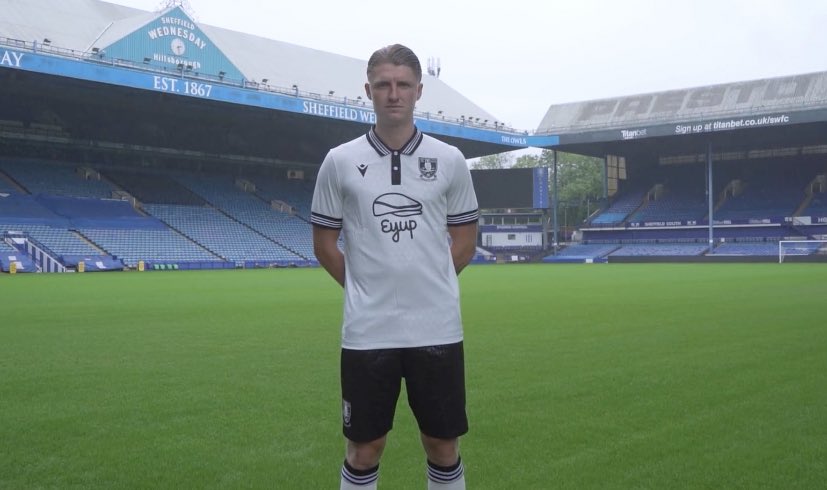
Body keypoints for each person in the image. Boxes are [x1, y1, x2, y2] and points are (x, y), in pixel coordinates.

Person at [311, 44, 479, 490]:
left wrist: (430, 283)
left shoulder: (450, 161)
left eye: (403, 84)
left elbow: (464, 240)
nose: (393, 93)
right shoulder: (339, 161)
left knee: (442, 445)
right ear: (368, 90)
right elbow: (325, 244)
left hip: (437, 327)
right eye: (383, 84)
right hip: (369, 331)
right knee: (364, 449)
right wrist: (365, 288)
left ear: (419, 91)